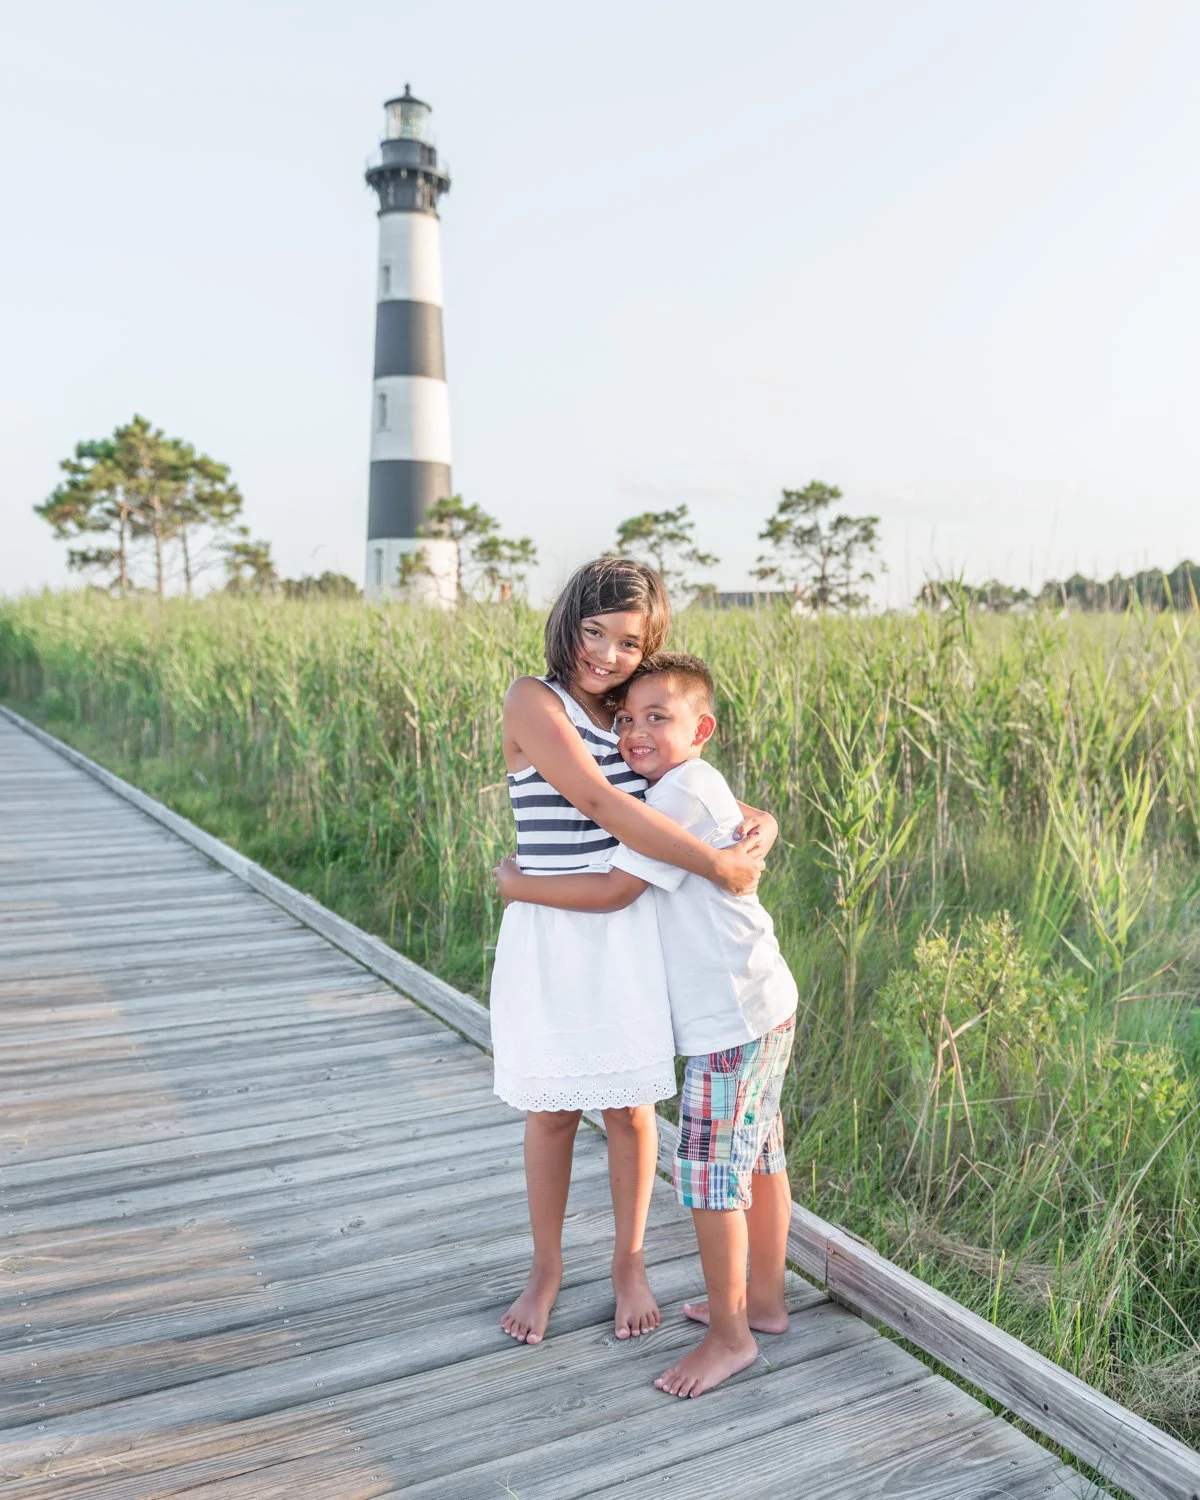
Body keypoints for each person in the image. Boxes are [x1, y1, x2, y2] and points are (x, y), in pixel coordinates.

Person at [496, 651, 798, 1396]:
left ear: (702, 728)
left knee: (708, 1175)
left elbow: (615, 887)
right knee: (759, 1156)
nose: (634, 733)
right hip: (756, 1001)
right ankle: (763, 1302)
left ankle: (730, 1338)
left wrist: (517, 883)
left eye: (655, 719)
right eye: (627, 720)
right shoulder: (688, 782)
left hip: (730, 1014)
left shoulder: (677, 795)